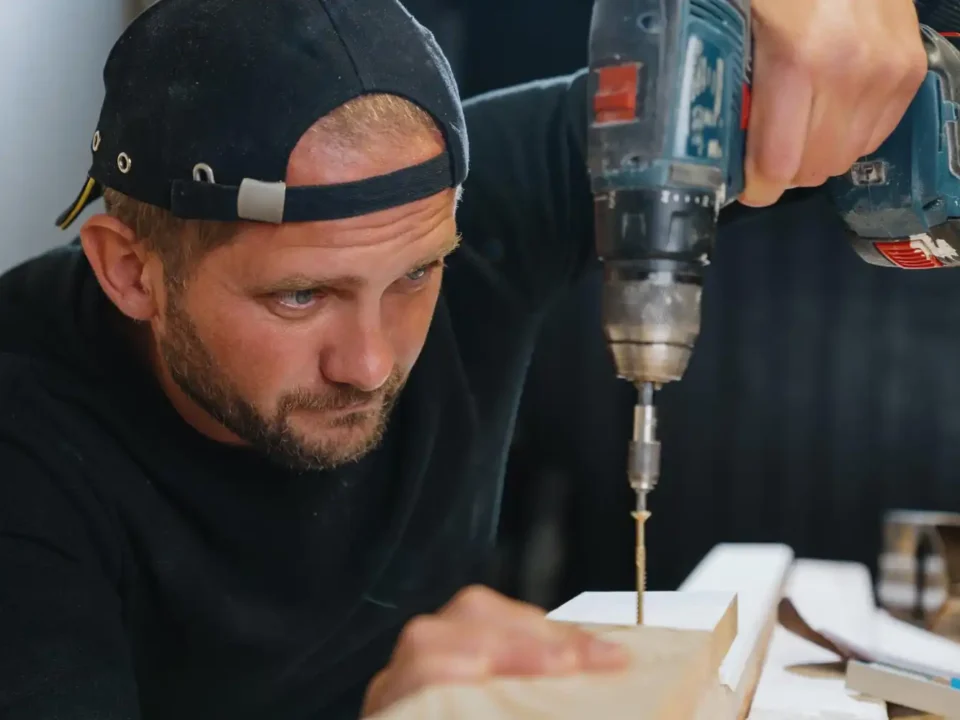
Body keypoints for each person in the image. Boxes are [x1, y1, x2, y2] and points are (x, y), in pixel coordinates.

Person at [0, 0, 927, 718]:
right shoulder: (28, 448)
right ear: (131, 271)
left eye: (417, 274)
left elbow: (767, 97)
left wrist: (852, 45)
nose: (368, 364)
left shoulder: (489, 201)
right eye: (300, 296)